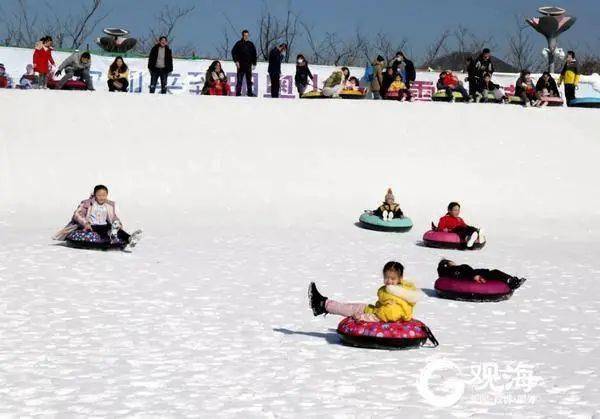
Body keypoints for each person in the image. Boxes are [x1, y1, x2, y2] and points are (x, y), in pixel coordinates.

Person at [308, 261, 422, 322]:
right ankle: (324, 303)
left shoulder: (395, 301)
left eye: (392, 279)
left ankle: (322, 305)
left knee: (351, 309)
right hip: (375, 309)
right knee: (351, 306)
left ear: (400, 279)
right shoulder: (399, 291)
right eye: (386, 277)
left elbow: (383, 316)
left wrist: (362, 317)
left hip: (374, 314)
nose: (388, 281)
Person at [53, 185, 143, 251]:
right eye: (99, 195)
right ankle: (110, 237)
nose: (101, 197)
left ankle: (129, 238)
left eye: (104, 195)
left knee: (116, 229)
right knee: (102, 233)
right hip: (92, 225)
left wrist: (117, 223)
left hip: (104, 224)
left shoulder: (109, 205)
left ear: (107, 195)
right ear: (95, 195)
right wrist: (86, 223)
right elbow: (77, 214)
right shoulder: (87, 203)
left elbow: (113, 217)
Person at [437, 259, 527, 290]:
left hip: (476, 273)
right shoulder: (455, 269)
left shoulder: (452, 271)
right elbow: (465, 271)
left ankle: (511, 280)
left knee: (494, 273)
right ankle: (511, 281)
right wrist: (474, 276)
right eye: (452, 262)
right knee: (494, 273)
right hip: (475, 275)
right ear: (449, 264)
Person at [231, 30, 257, 97]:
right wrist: (236, 61)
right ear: (242, 35)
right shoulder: (238, 43)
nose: (246, 37)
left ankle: (250, 93)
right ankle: (238, 93)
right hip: (240, 66)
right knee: (239, 80)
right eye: (245, 35)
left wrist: (254, 63)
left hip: (248, 65)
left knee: (249, 80)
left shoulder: (251, 44)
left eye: (247, 36)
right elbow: (233, 52)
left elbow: (254, 54)